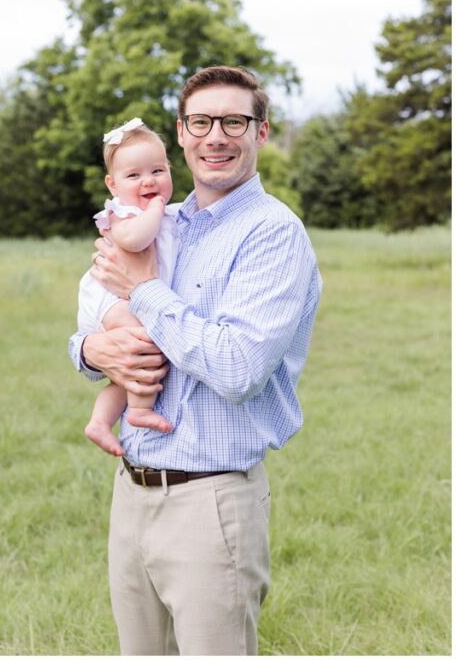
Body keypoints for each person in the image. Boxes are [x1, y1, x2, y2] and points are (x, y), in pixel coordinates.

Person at [68, 66, 322, 655]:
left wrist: (144, 290)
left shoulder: (272, 234)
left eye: (234, 121)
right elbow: (97, 313)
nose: (216, 136)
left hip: (209, 504)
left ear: (261, 133)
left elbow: (236, 369)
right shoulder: (162, 225)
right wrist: (87, 349)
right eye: (201, 121)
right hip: (131, 492)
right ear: (181, 133)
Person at [78, 117, 177, 456]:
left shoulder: (166, 218)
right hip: (112, 298)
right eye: (134, 175)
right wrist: (157, 208)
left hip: (131, 296)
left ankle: (100, 421)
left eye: (157, 171)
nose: (148, 181)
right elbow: (134, 242)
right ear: (113, 184)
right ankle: (139, 410)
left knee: (124, 369)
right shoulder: (123, 214)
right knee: (143, 346)